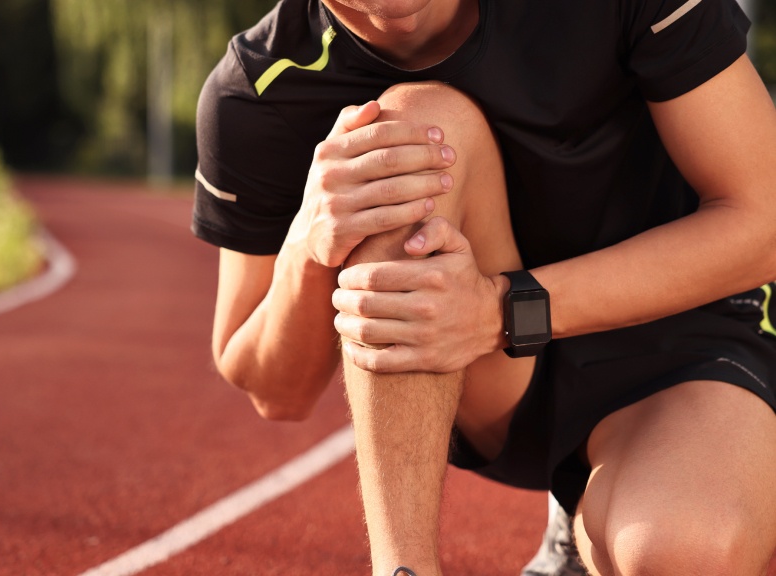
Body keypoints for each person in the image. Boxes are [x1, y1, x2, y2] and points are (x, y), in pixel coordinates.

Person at [193, 0, 776, 574]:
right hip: (493, 386)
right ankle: (404, 570)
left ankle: (589, 510)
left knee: (687, 552)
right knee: (404, 139)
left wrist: (500, 309)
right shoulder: (259, 89)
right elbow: (276, 392)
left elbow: (764, 225)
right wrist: (307, 243)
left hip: (683, 341)